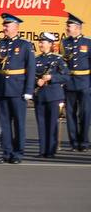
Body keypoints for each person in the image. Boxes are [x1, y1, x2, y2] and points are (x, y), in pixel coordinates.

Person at [0, 13, 36, 164]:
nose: (4, 27)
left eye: (7, 25)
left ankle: (17, 154)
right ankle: (6, 153)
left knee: (18, 123)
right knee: (4, 124)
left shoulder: (25, 45)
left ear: (16, 27)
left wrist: (29, 90)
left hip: (18, 90)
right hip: (2, 89)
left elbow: (31, 69)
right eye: (4, 25)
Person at [34, 32, 69, 158]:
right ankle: (42, 150)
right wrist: (36, 81)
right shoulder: (36, 59)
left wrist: (51, 77)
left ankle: (51, 150)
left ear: (50, 44)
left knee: (52, 123)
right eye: (40, 42)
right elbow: (31, 75)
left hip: (54, 95)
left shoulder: (57, 59)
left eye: (42, 42)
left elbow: (66, 76)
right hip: (40, 95)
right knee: (41, 123)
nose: (40, 44)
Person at [62, 13, 90, 152]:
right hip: (69, 82)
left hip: (85, 82)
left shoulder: (88, 43)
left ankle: (84, 142)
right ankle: (74, 143)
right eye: (67, 25)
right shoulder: (64, 43)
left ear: (77, 27)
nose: (67, 28)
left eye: (69, 25)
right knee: (70, 114)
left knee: (85, 113)